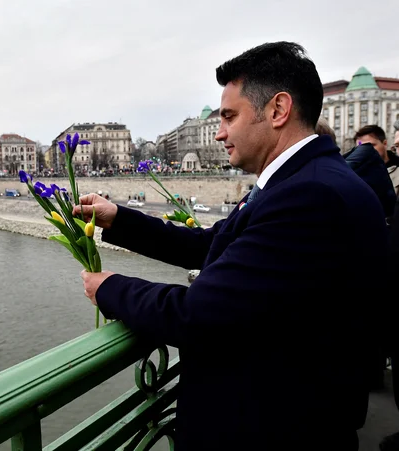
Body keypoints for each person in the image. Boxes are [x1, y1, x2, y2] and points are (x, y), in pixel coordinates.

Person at [75, 42, 387, 451]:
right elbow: (213, 244)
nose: (220, 132)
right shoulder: (304, 179)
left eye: (229, 116)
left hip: (274, 428)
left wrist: (109, 288)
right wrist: (120, 218)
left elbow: (198, 314)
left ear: (278, 110)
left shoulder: (310, 193)